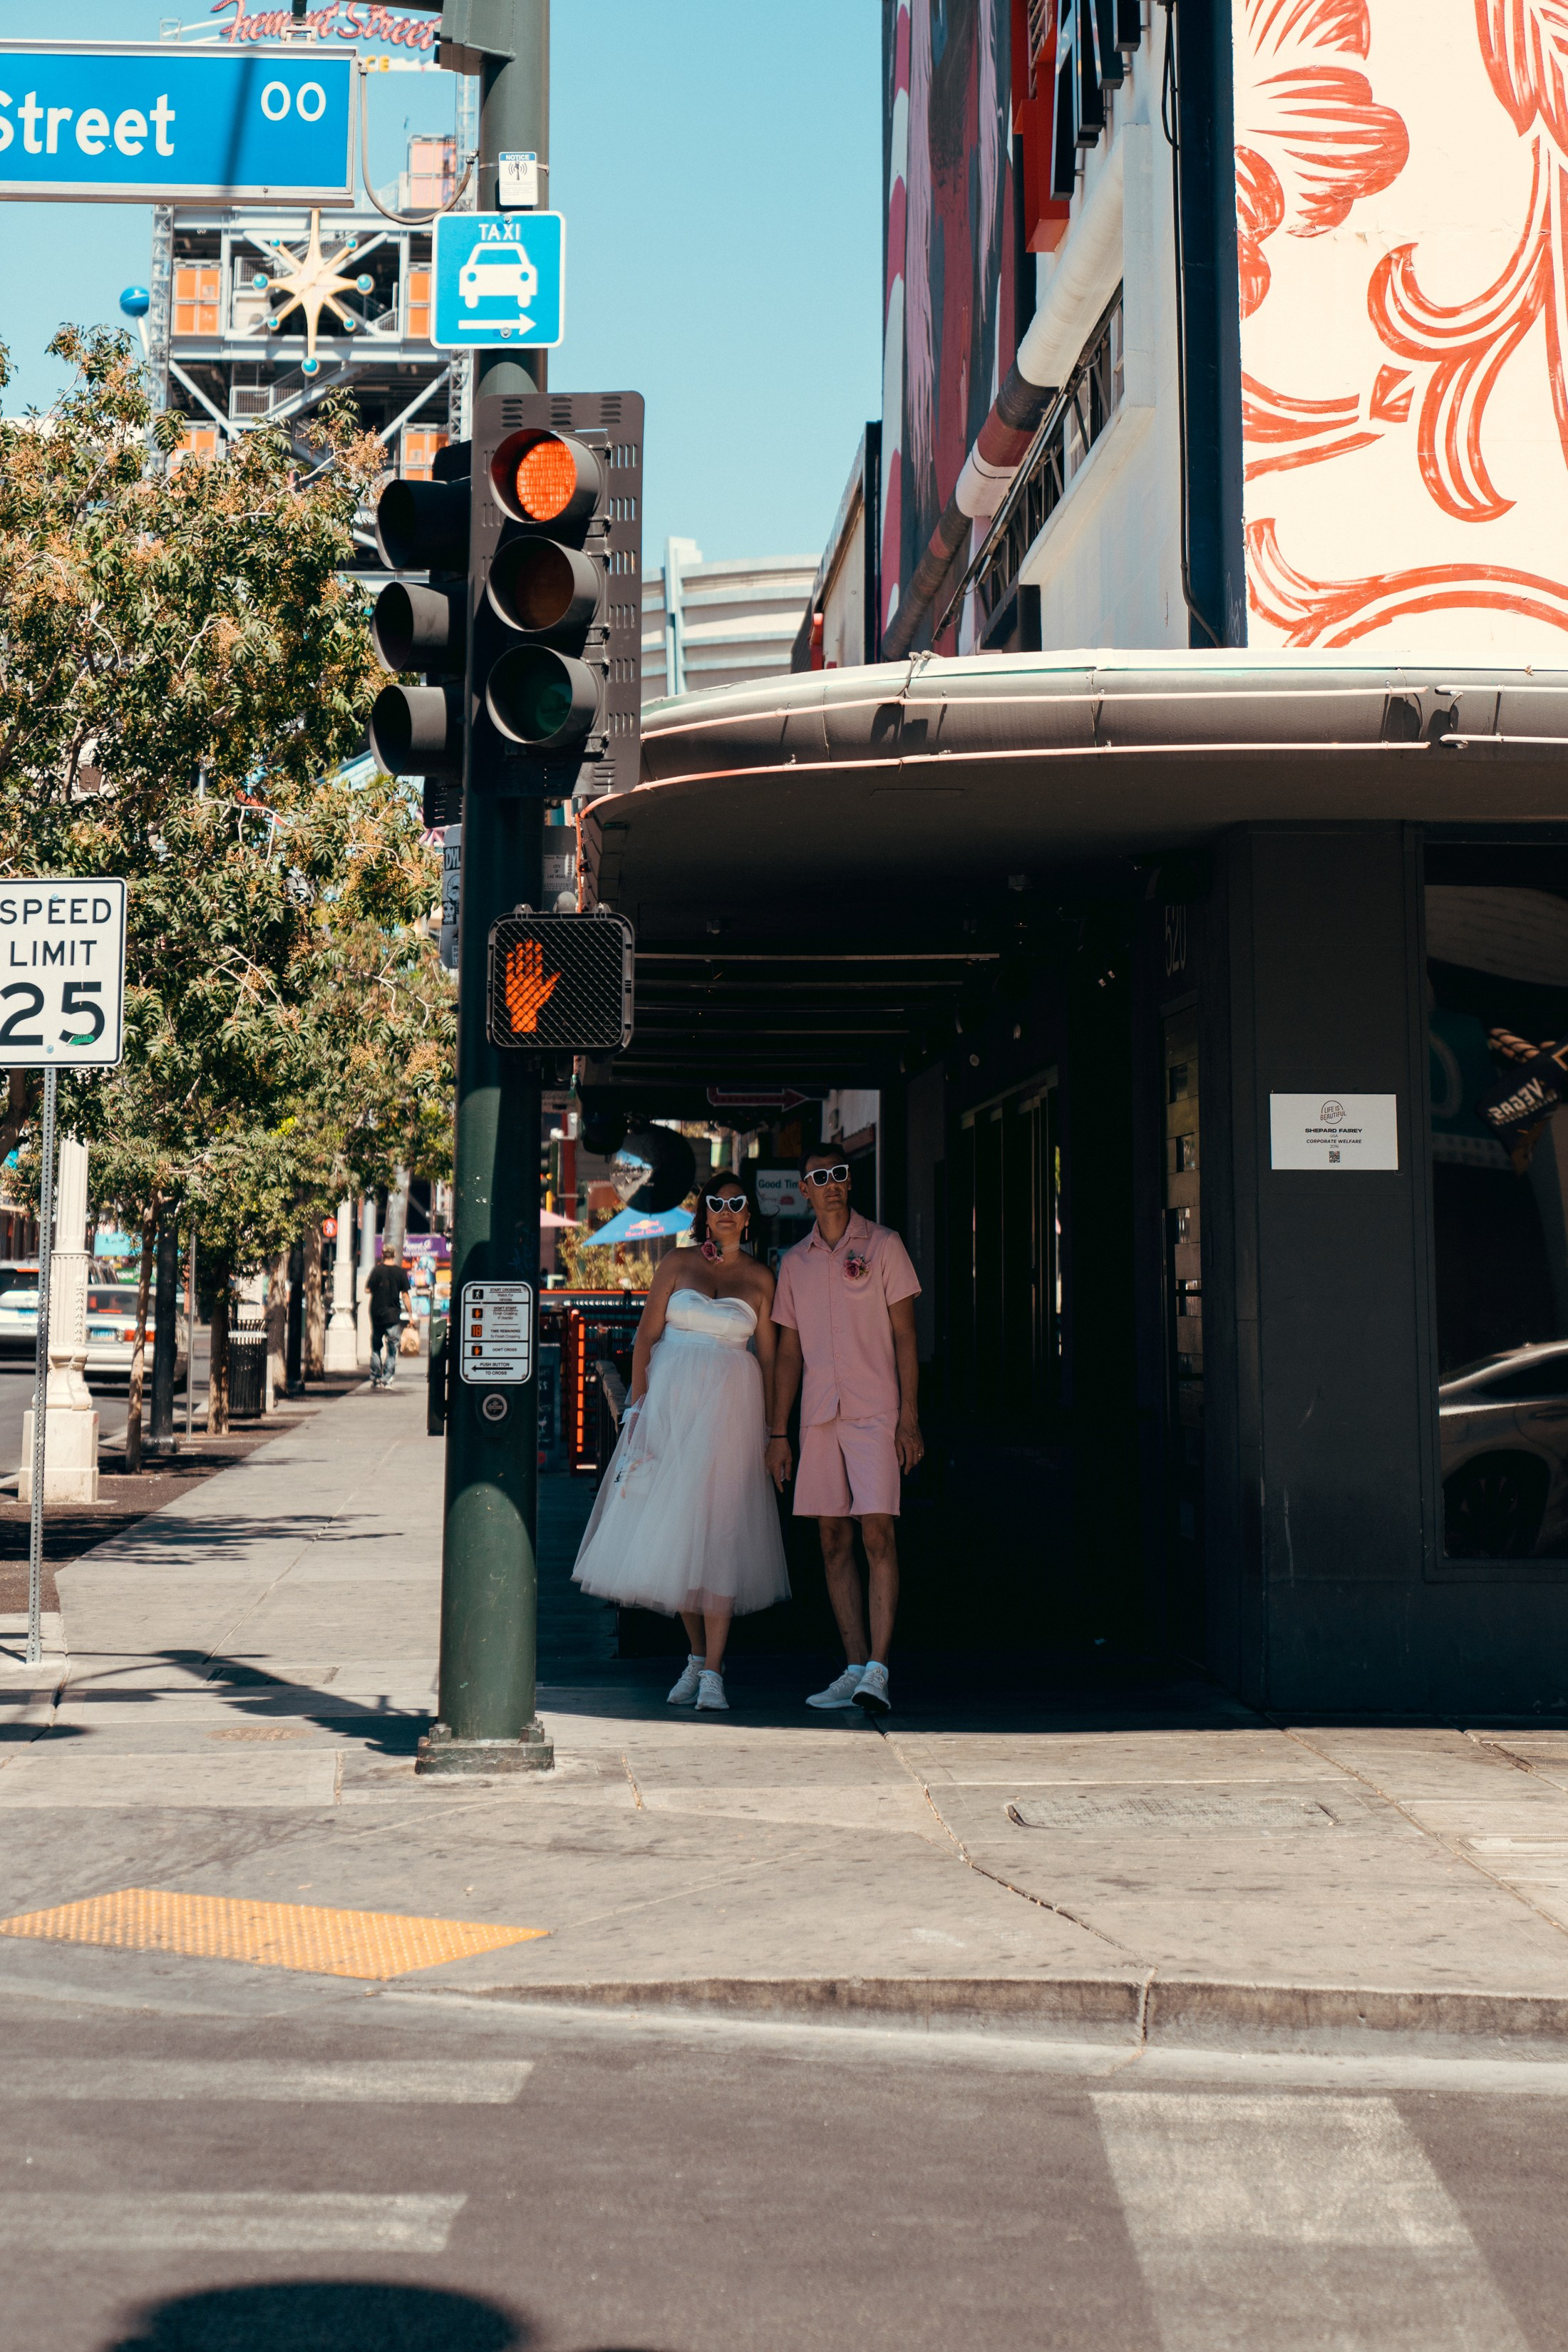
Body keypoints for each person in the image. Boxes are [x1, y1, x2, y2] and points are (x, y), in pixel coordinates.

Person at [572, 1171, 790, 1711]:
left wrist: (773, 1432)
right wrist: (639, 1408)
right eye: (718, 1202)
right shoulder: (676, 1262)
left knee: (720, 1535)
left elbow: (770, 1356)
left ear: (747, 1213)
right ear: (705, 1211)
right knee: (672, 1534)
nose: (727, 1211)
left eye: (737, 1204)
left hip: (731, 1419)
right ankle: (696, 1655)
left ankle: (714, 1670)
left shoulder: (762, 1278)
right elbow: (646, 1337)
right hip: (669, 1411)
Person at [768, 1150, 922, 1716]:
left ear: (849, 1181)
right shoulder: (795, 1263)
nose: (831, 1185)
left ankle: (880, 1669)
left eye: (839, 1175)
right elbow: (787, 1351)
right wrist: (777, 1432)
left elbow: (906, 1335)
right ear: (804, 1190)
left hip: (876, 1410)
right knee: (832, 1539)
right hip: (818, 1415)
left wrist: (909, 1418)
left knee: (877, 1533)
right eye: (819, 1178)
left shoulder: (884, 1244)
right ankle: (855, 1666)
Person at [365, 1248, 412, 1389]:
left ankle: (375, 1377)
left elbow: (367, 1289)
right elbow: (405, 1295)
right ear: (395, 1255)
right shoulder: (400, 1272)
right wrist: (410, 1315)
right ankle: (387, 1379)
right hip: (393, 1315)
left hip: (377, 1314)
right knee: (392, 1349)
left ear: (382, 1255)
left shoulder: (377, 1270)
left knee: (376, 1347)